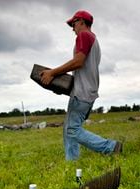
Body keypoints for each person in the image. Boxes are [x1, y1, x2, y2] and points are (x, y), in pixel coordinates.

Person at [40, 10, 122, 161]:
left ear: (82, 22)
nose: (72, 28)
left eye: (74, 23)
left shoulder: (84, 35)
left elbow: (78, 62)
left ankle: (110, 147)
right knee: (68, 128)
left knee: (72, 129)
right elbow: (83, 69)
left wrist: (52, 73)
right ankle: (72, 160)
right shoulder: (93, 39)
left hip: (82, 93)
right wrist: (61, 86)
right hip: (86, 90)